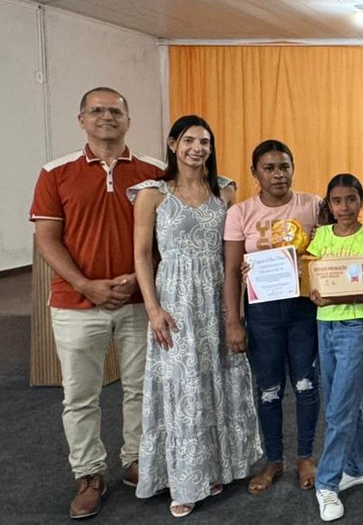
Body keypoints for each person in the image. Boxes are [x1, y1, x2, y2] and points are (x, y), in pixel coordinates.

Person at [30, 87, 164, 519]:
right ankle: (88, 473)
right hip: (75, 302)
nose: (107, 117)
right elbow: (47, 239)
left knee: (141, 388)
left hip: (138, 300)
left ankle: (136, 460)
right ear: (81, 118)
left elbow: (167, 239)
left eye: (115, 111)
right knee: (80, 395)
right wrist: (86, 284)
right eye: (97, 111)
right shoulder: (56, 172)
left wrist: (136, 278)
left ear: (128, 119)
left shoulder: (154, 171)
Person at [130, 115, 261, 517]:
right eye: (189, 140)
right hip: (175, 301)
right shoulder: (153, 193)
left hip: (217, 294)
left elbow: (232, 250)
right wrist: (153, 309)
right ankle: (185, 480)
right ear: (173, 144)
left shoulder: (224, 190)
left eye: (204, 141)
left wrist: (234, 310)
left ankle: (217, 466)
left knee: (218, 378)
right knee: (183, 385)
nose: (197, 148)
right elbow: (142, 255)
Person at [223, 140, 321, 496]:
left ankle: (306, 456)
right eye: (269, 168)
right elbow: (231, 271)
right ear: (255, 173)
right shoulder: (241, 213)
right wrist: (234, 322)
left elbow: (334, 247)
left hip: (303, 310)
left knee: (306, 384)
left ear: (293, 168)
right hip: (261, 313)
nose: (278, 174)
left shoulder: (313, 205)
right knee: (268, 390)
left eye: (284, 166)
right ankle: (274, 459)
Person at [305, 173, 363, 522]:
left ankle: (327, 482)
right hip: (324, 325)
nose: (344, 207)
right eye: (337, 201)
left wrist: (347, 294)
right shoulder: (321, 236)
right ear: (329, 204)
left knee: (339, 408)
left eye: (351, 199)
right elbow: (306, 273)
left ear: (362, 201)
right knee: (342, 402)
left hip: (355, 326)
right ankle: (360, 466)